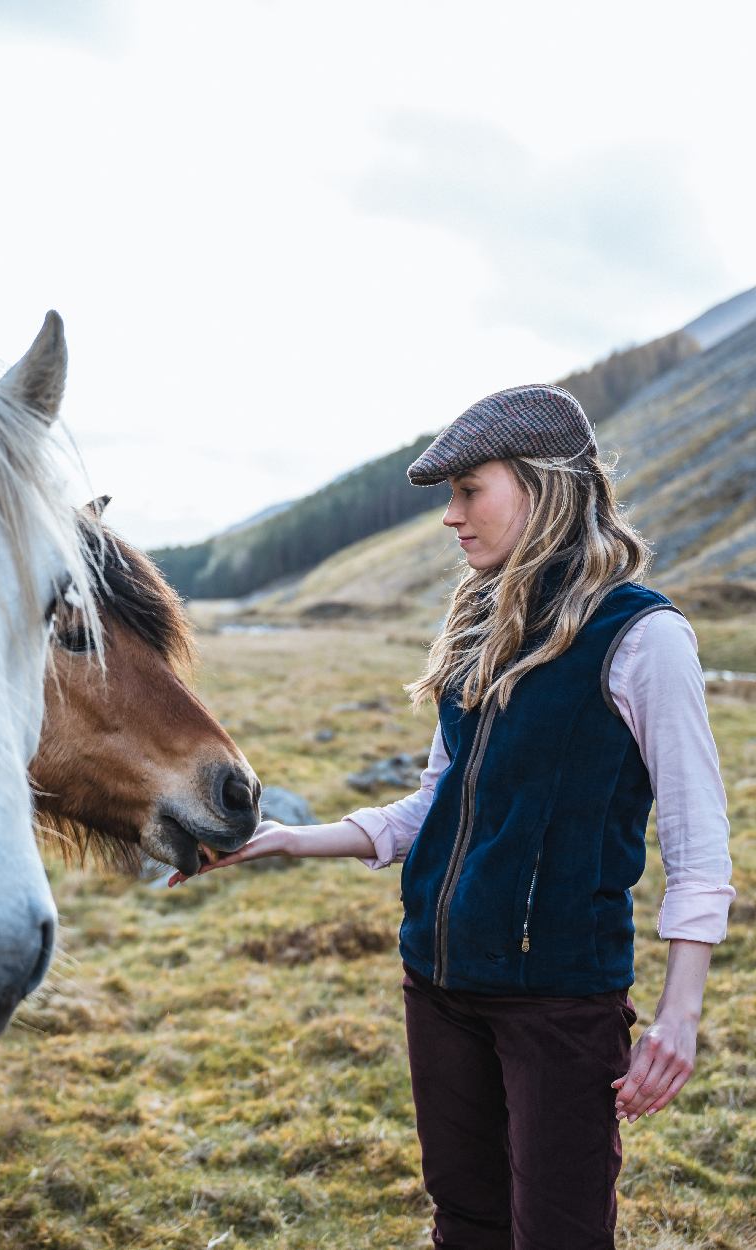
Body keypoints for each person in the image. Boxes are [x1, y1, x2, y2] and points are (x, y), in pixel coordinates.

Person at [169, 384, 735, 1250]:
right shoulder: (482, 624)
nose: (451, 516)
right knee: (466, 1227)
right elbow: (438, 801)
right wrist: (287, 839)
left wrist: (679, 1015)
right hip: (437, 985)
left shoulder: (643, 637)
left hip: (559, 1004)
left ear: (544, 487)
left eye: (471, 490)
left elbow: (698, 844)